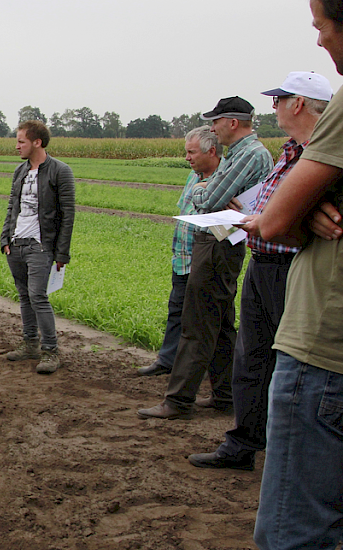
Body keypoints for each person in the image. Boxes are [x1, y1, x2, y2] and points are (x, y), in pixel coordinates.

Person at [187, 72, 331, 471]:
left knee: (294, 367)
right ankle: (243, 443)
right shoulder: (289, 152)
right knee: (251, 360)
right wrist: (261, 217)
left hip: (295, 270)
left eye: (279, 100)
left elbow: (298, 216)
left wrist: (269, 218)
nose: (274, 107)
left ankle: (291, 455)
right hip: (262, 264)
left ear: (298, 104)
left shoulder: (322, 154)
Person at [238, 1, 343, 546]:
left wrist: (292, 217)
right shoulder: (289, 154)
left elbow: (275, 218)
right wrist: (303, 212)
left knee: (296, 528)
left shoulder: (331, 127)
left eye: (322, 25)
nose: (320, 39)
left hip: (325, 339)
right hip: (275, 271)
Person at [139, 97, 273, 419]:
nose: (212, 128)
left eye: (215, 121)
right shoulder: (239, 154)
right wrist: (213, 192)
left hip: (218, 243)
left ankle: (178, 400)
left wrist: (205, 189)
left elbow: (207, 199)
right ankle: (225, 395)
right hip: (222, 241)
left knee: (197, 323)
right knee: (223, 324)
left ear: (232, 122)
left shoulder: (249, 154)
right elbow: (215, 196)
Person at [137, 127, 222, 377]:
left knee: (205, 317)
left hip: (205, 258)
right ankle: (168, 359)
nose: (187, 157)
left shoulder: (224, 179)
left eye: (191, 152)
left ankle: (208, 368)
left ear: (212, 151)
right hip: (183, 257)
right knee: (177, 310)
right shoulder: (192, 177)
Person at [0, 120, 75, 374]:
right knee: (24, 297)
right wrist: (5, 240)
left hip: (40, 247)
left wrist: (62, 252)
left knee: (38, 297)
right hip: (17, 244)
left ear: (37, 142)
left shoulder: (60, 171)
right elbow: (13, 207)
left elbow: (67, 215)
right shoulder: (20, 171)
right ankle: (30, 344)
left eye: (21, 141)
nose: (17, 146)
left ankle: (51, 351)